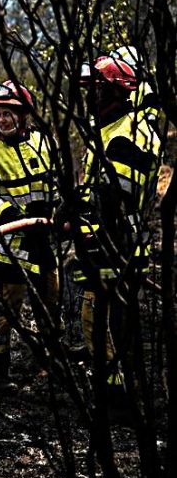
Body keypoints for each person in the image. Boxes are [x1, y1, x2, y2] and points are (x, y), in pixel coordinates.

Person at [73, 53, 162, 410]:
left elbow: (116, 196)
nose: (91, 99)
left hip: (118, 244)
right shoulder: (109, 129)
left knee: (105, 321)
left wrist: (76, 211)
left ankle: (118, 398)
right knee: (108, 320)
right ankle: (119, 389)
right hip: (108, 240)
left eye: (97, 91)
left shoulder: (127, 135)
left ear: (116, 93)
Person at [0, 80, 61, 394]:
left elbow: (57, 183)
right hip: (11, 251)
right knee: (4, 315)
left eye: (7, 113)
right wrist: (16, 220)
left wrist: (58, 214)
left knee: (51, 303)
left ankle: (52, 365)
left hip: (44, 245)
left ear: (23, 115)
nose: (1, 120)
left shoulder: (43, 142)